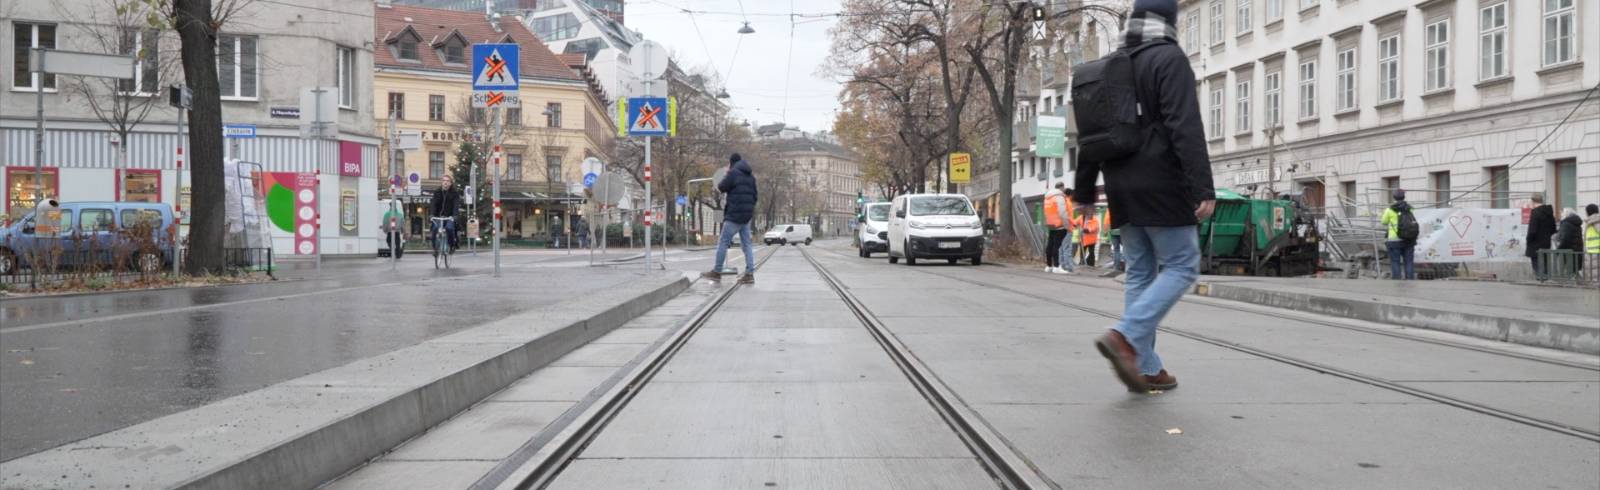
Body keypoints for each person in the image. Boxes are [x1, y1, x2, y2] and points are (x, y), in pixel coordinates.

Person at [1077, 0, 1213, 393]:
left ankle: (1147, 366)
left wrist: (1085, 189)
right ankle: (1125, 336)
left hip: (1120, 185)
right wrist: (1202, 186)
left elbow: (1088, 132)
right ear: (1170, 21)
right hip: (1162, 184)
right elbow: (1183, 124)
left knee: (1140, 271)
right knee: (1183, 266)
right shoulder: (1168, 59)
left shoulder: (1110, 64)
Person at [705, 153, 758, 284]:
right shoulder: (751, 177)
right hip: (746, 216)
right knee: (747, 245)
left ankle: (717, 271)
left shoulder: (733, 173)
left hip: (734, 215)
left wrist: (728, 172)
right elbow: (755, 196)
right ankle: (749, 274)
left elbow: (722, 187)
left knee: (723, 242)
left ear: (731, 162)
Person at [1380, 189, 1417, 280]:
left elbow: (1384, 222)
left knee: (1395, 261)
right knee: (1408, 261)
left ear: (1394, 197)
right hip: (1409, 238)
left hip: (1394, 239)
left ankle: (1397, 280)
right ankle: (1410, 280)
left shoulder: (1389, 209)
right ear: (1404, 197)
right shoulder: (1410, 208)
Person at [1526, 193, 1557, 281]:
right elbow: (1553, 228)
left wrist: (1528, 240)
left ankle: (1541, 282)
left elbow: (1532, 230)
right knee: (1545, 263)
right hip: (1546, 243)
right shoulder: (1549, 212)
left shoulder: (1535, 212)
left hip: (1535, 243)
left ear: (1533, 201)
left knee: (1537, 266)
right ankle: (1546, 281)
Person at [428, 175, 462, 254]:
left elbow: (456, 205)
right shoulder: (437, 192)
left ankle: (452, 245)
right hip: (438, 217)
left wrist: (455, 215)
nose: (445, 182)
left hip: (449, 217)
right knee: (434, 229)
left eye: (447, 181)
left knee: (449, 229)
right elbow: (433, 204)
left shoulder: (454, 193)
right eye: (444, 181)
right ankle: (435, 248)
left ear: (450, 183)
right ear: (442, 182)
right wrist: (432, 214)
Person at [1043, 183, 1072, 273]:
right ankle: (1056, 267)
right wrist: (1067, 226)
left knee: (1050, 245)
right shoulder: (1059, 197)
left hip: (1051, 224)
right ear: (1062, 188)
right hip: (1060, 225)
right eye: (1063, 188)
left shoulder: (1048, 198)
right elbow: (1062, 212)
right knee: (1057, 246)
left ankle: (1049, 266)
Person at [1556, 208, 1584, 278]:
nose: (1561, 215)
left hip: (1569, 251)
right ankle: (1579, 282)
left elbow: (1565, 239)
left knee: (1570, 271)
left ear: (1566, 214)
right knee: (1575, 270)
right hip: (1577, 250)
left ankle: (1572, 284)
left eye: (1562, 213)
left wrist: (1558, 250)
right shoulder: (1577, 224)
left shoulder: (1566, 224)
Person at [1584, 204, 1599, 285]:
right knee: (1593, 273)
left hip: (1595, 251)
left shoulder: (1595, 221)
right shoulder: (1591, 222)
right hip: (1591, 251)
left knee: (1595, 275)